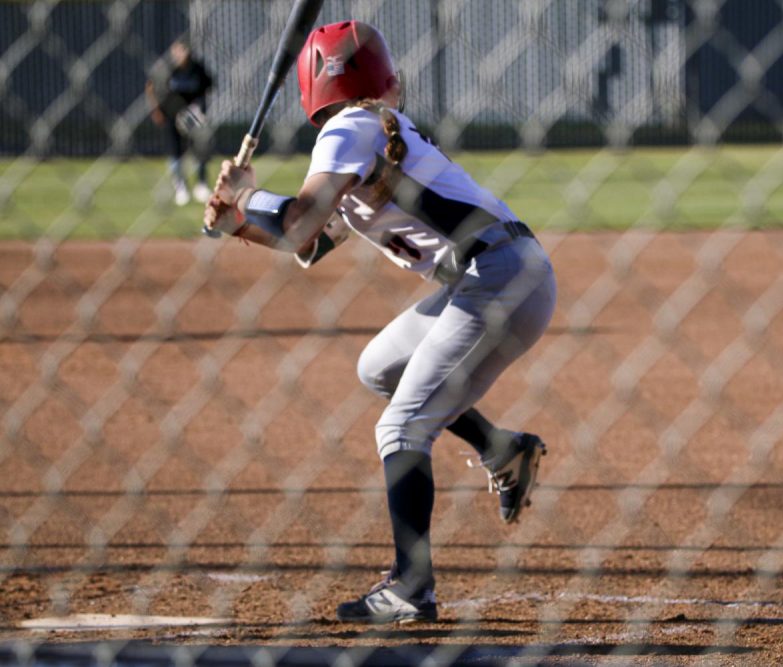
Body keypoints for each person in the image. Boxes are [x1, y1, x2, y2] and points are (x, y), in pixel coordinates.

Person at [203, 21, 556, 624]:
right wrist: (237, 222)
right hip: (494, 276)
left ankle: (412, 586)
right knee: (380, 368)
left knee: (401, 430)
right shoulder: (374, 135)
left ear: (312, 91)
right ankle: (501, 448)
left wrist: (247, 197)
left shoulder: (349, 128)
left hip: (495, 278)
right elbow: (308, 244)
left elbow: (295, 220)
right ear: (386, 78)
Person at [146, 36, 213, 206]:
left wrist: (201, 109)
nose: (182, 54)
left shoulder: (197, 68)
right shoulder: (167, 69)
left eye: (185, 50)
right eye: (178, 50)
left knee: (199, 149)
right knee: (175, 152)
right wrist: (156, 109)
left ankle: (201, 185)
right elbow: (151, 86)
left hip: (192, 116)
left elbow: (207, 87)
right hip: (171, 115)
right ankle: (180, 187)